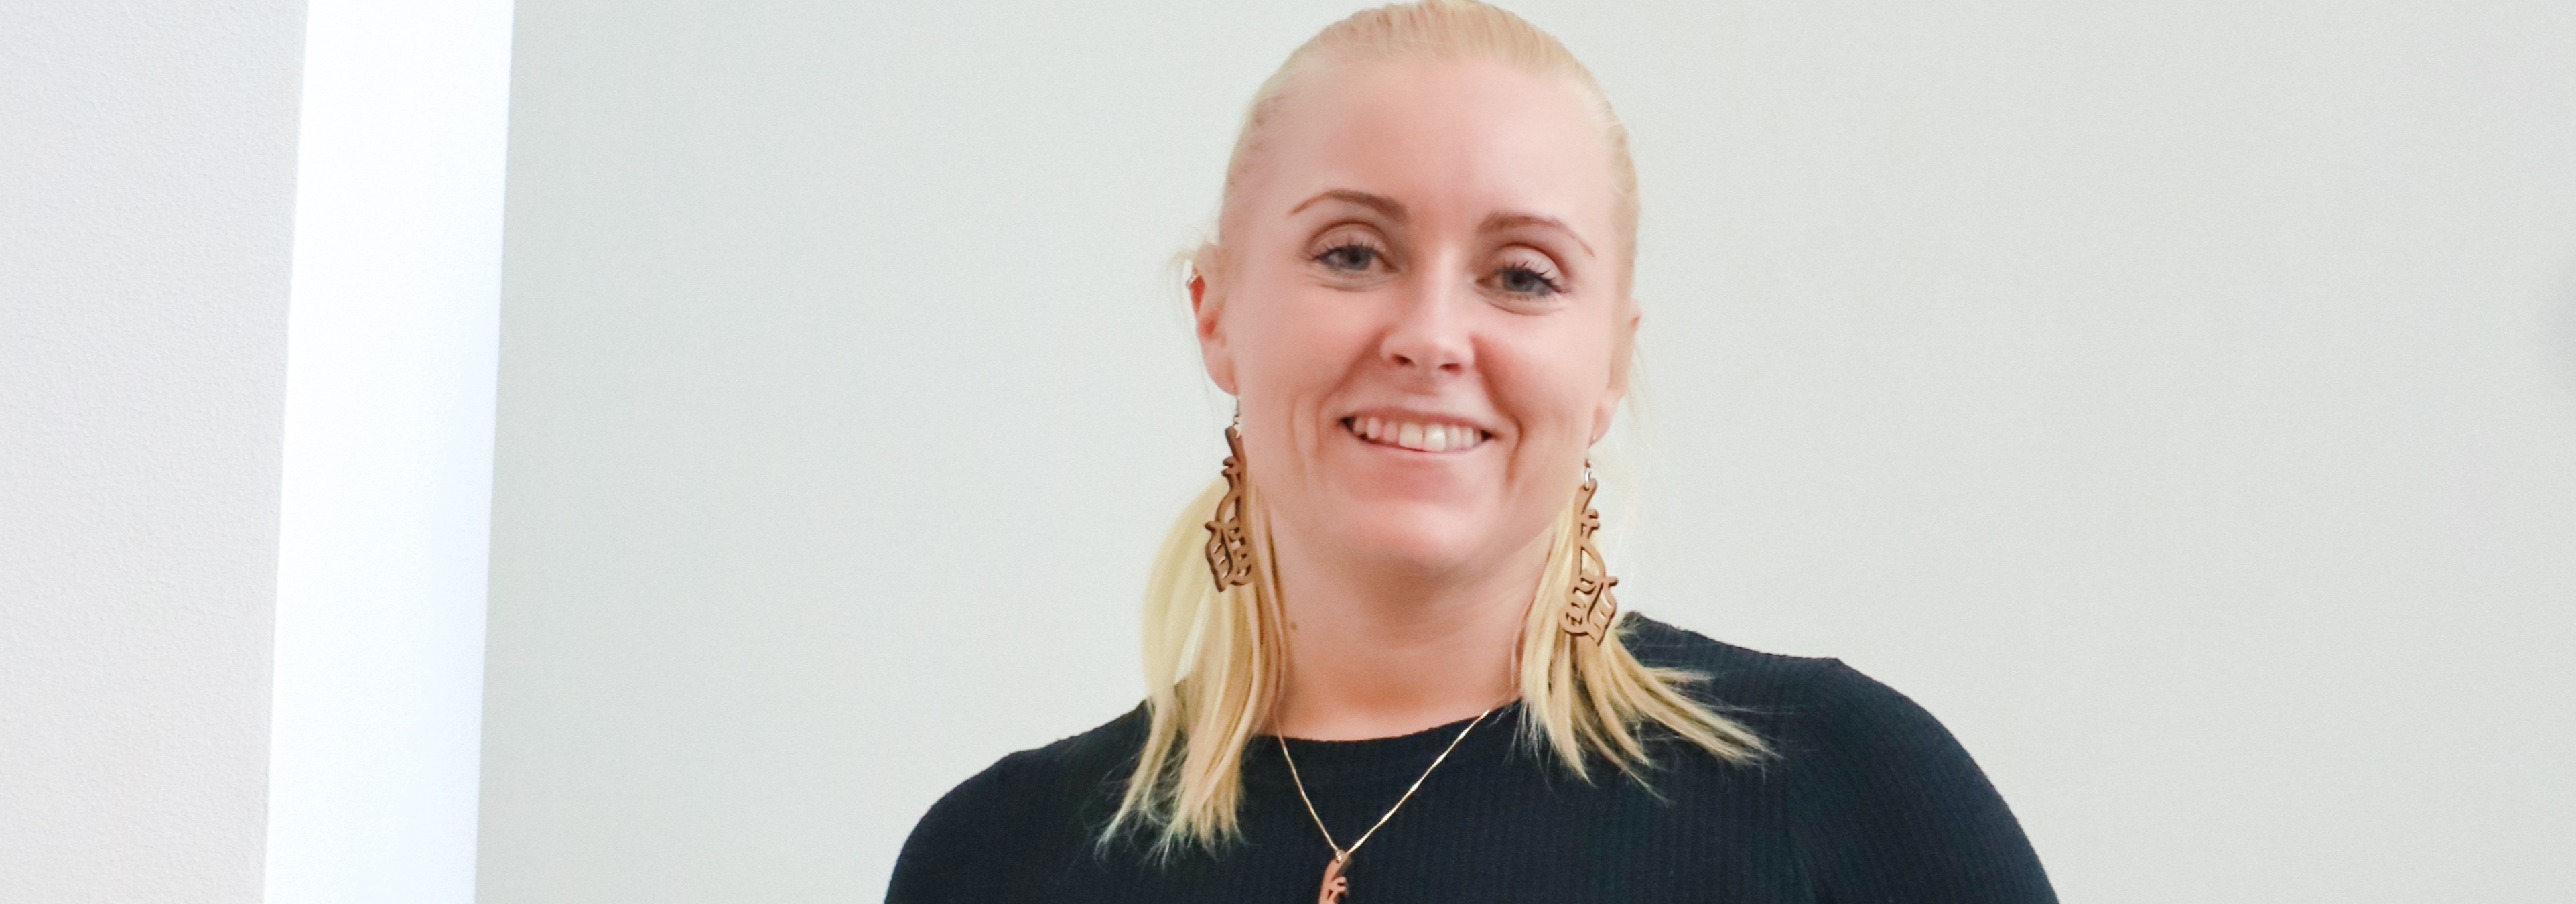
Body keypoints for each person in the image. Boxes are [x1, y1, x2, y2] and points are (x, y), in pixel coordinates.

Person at [888, 2, 2055, 901]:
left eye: (1522, 276)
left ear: (1609, 366)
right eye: (1353, 253)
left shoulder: (1836, 792)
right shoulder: (997, 860)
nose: (1433, 336)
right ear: (1217, 312)